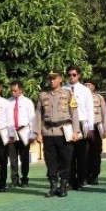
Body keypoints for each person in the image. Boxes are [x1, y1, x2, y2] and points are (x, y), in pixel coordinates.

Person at [32, 70, 79, 198]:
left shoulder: (68, 94)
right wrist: (38, 133)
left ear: (60, 79)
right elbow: (38, 115)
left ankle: (63, 185)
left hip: (64, 132)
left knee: (65, 160)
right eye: (49, 78)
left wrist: (76, 131)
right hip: (48, 132)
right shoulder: (43, 95)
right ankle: (53, 186)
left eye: (54, 78)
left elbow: (74, 113)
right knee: (50, 161)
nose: (52, 81)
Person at [65, 66, 94, 191]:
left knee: (81, 154)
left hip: (82, 123)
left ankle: (81, 180)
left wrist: (90, 128)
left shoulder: (85, 90)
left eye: (74, 74)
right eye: (69, 75)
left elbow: (89, 109)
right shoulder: (63, 89)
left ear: (79, 75)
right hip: (68, 124)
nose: (72, 77)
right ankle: (70, 180)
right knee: (69, 154)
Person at [8, 81, 35, 188]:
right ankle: (14, 179)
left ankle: (24, 179)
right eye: (12, 90)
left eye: (15, 90)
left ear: (21, 90)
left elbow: (32, 119)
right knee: (13, 157)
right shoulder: (8, 102)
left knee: (24, 157)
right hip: (12, 132)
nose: (13, 92)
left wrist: (32, 135)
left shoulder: (28, 102)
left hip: (24, 131)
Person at [84, 80, 106, 185]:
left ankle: (94, 176)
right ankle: (84, 175)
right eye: (85, 84)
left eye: (89, 84)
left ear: (94, 86)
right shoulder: (80, 97)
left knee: (95, 153)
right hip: (84, 127)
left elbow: (104, 113)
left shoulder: (99, 98)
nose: (87, 86)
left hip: (96, 126)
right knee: (83, 153)